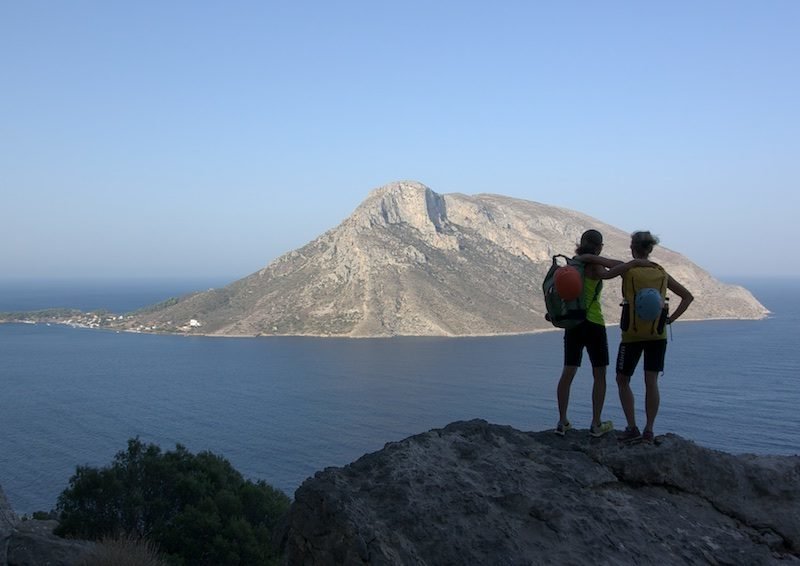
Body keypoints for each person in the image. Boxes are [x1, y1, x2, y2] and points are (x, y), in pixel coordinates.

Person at [555, 229, 646, 438]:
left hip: (573, 323)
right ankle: (596, 423)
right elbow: (609, 271)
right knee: (600, 374)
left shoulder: (574, 263)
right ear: (599, 246)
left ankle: (562, 421)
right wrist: (630, 264)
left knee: (568, 372)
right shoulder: (594, 265)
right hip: (594, 323)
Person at [615, 231, 694, 443]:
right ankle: (649, 430)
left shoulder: (628, 270)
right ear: (650, 250)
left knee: (623, 380)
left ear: (632, 248)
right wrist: (670, 320)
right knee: (651, 382)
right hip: (657, 335)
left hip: (631, 335)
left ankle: (632, 427)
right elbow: (687, 297)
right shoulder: (661, 273)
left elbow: (604, 274)